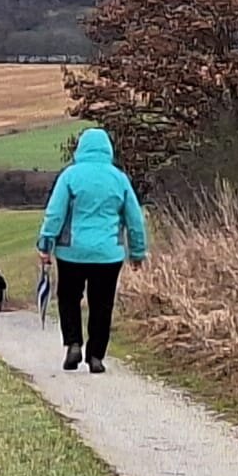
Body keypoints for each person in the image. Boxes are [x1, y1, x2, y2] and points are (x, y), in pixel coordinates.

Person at [37, 127, 149, 374]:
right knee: (102, 304)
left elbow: (55, 214)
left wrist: (45, 245)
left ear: (80, 149)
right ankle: (96, 355)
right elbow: (135, 219)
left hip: (71, 253)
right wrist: (138, 253)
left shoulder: (70, 176)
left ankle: (74, 343)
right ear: (108, 149)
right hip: (109, 255)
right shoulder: (119, 178)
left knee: (68, 298)